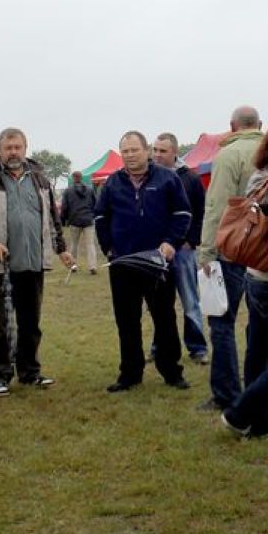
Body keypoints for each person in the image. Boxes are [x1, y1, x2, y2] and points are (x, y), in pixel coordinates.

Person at [0, 128, 73, 395]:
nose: (13, 152)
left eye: (18, 147)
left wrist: (61, 249)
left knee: (30, 323)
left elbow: (53, 218)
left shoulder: (40, 180)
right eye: (8, 147)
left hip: (33, 262)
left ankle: (30, 372)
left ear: (26, 148)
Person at [94, 130, 191, 393]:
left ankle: (172, 372)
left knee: (165, 318)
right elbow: (100, 217)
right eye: (125, 151)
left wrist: (171, 242)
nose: (129, 155)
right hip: (124, 264)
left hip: (158, 262)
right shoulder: (113, 183)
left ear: (147, 151)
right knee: (127, 321)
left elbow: (182, 213)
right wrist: (109, 249)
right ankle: (130, 374)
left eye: (134, 150)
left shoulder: (168, 179)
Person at [220, 121, 268, 439]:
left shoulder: (257, 177)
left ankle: (258, 419)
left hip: (255, 276)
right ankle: (241, 412)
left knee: (258, 351)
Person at [197, 105, 263, 411]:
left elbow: (218, 207)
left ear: (232, 126)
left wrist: (207, 252)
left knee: (222, 322)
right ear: (259, 125)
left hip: (233, 250)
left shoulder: (227, 156)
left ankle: (226, 394)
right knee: (261, 325)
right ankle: (259, 390)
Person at [152, 133, 209, 364]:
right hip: (157, 250)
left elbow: (200, 212)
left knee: (189, 300)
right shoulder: (149, 177)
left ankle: (197, 348)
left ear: (174, 152)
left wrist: (191, 240)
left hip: (184, 250)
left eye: (162, 151)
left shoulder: (191, 179)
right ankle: (159, 346)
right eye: (155, 150)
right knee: (158, 303)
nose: (157, 154)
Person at [60, 171, 98, 274]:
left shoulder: (68, 191)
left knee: (74, 244)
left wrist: (63, 220)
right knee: (90, 244)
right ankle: (92, 266)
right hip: (88, 220)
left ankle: (73, 266)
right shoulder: (90, 190)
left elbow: (64, 207)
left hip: (74, 220)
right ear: (81, 178)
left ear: (73, 178)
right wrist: (92, 215)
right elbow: (95, 204)